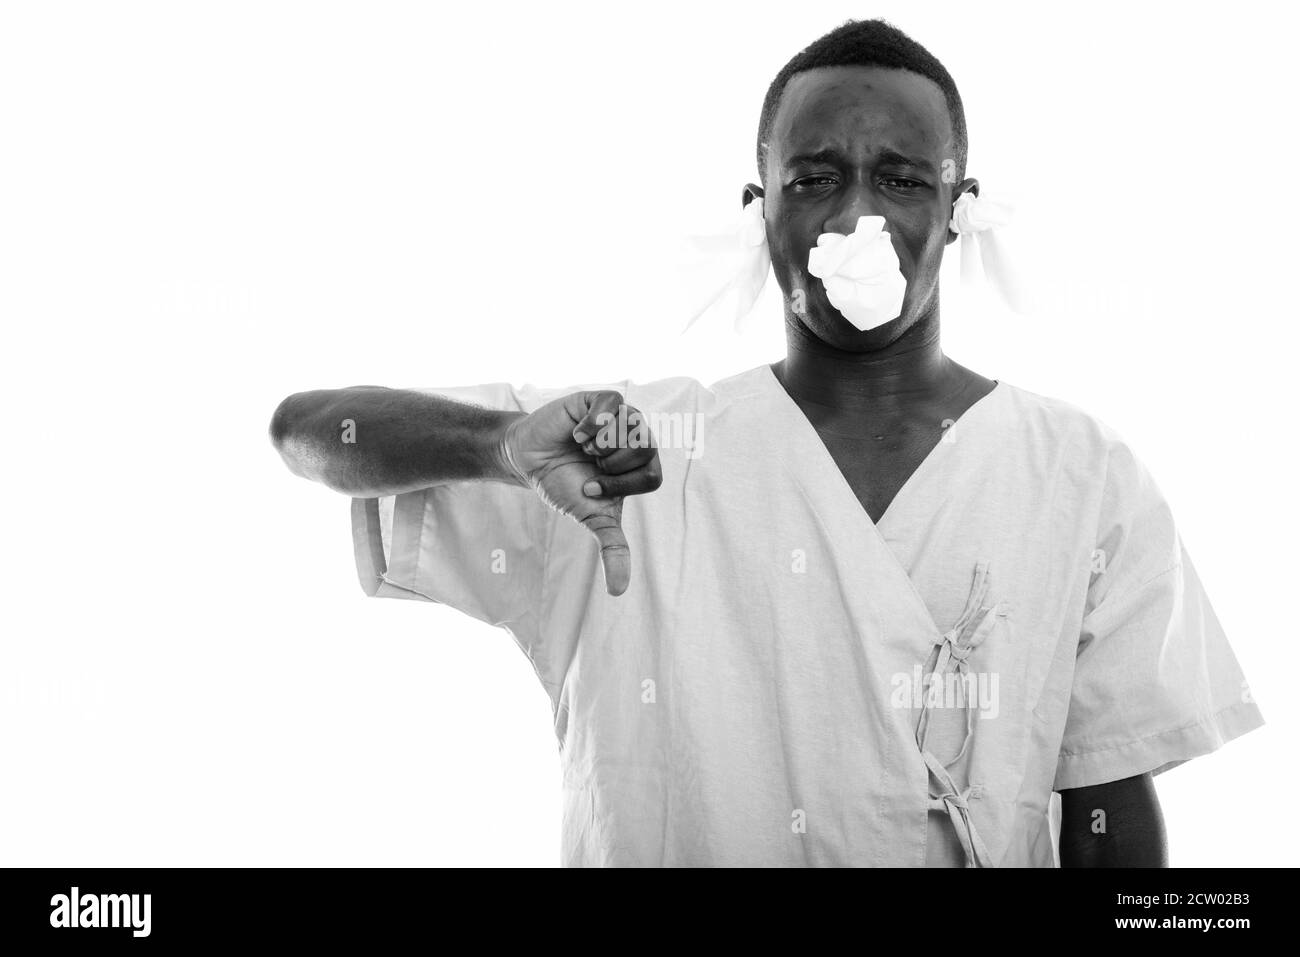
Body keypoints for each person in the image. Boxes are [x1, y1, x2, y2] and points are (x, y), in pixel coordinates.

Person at [269, 18, 1263, 867]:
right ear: (762, 212)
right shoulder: (619, 455)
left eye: (903, 178)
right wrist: (496, 444)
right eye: (816, 176)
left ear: (959, 211)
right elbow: (308, 432)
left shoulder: (1079, 474)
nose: (857, 215)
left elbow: (1107, 817)